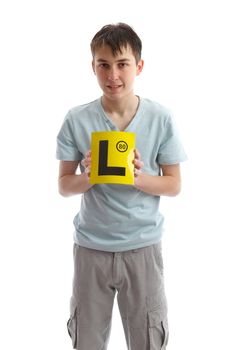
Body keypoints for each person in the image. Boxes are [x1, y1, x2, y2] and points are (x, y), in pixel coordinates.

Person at [56, 22, 187, 350]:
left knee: (146, 338)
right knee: (86, 338)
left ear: (138, 66)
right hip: (91, 247)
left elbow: (174, 185)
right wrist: (90, 176)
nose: (112, 75)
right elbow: (63, 185)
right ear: (93, 68)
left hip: (142, 247)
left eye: (122, 64)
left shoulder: (160, 118)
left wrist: (138, 178)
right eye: (103, 65)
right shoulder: (76, 119)